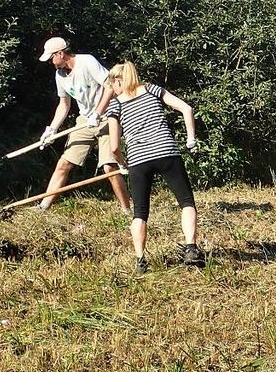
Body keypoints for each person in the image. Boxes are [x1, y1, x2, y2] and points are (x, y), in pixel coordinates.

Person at [104, 62, 204, 272]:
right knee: (186, 202)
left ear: (118, 80)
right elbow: (187, 108)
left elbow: (113, 146)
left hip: (139, 160)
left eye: (112, 85)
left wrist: (122, 164)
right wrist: (191, 139)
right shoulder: (152, 89)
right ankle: (191, 248)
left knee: (139, 213)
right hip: (167, 152)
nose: (112, 91)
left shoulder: (116, 106)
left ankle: (141, 261)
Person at [34, 37, 131, 213]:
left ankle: (127, 211)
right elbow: (64, 104)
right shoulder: (60, 75)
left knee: (109, 166)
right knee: (63, 164)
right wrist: (52, 129)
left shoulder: (87, 62)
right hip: (85, 120)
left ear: (61, 53)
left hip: (108, 116)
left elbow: (110, 86)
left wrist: (98, 112)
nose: (50, 62)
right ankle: (43, 207)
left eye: (51, 58)